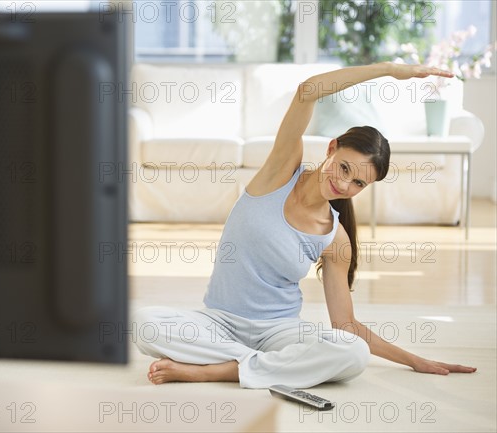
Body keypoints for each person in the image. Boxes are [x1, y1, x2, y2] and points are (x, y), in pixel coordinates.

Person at [132, 62, 477, 388]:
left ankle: (216, 371)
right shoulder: (280, 172)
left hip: (280, 332)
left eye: (358, 183)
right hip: (219, 322)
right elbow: (308, 90)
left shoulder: (335, 238)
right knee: (144, 324)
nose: (344, 185)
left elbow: (346, 326)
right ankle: (260, 366)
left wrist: (415, 360)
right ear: (331, 148)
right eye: (344, 168)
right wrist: (387, 71)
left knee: (353, 354)